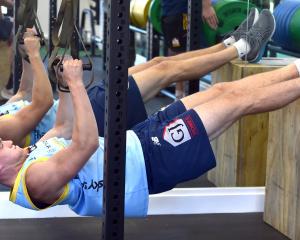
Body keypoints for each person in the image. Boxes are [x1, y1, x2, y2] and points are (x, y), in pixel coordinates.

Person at [1, 9, 299, 217]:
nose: (4, 142)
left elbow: (64, 127)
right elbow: (85, 144)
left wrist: (64, 86)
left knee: (223, 93)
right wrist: (77, 86)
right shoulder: (35, 180)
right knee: (236, 101)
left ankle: (293, 68)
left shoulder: (31, 155)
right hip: (149, 163)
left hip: (140, 140)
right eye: (0, 147)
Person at [0, 8, 266, 144]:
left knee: (159, 62)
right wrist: (36, 56)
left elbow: (23, 94)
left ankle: (229, 43)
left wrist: (26, 52)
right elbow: (41, 103)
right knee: (165, 71)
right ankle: (242, 48)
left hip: (81, 102)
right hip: (86, 116)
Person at [0, 29, 54, 147]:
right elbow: (45, 102)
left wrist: (25, 53)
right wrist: (34, 53)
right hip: (76, 123)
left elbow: (25, 93)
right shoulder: (3, 129)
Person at [160, 0, 219, 99]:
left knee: (182, 53)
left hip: (183, 12)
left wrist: (206, 6)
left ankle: (182, 96)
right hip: (170, 12)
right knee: (175, 51)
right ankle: (179, 94)